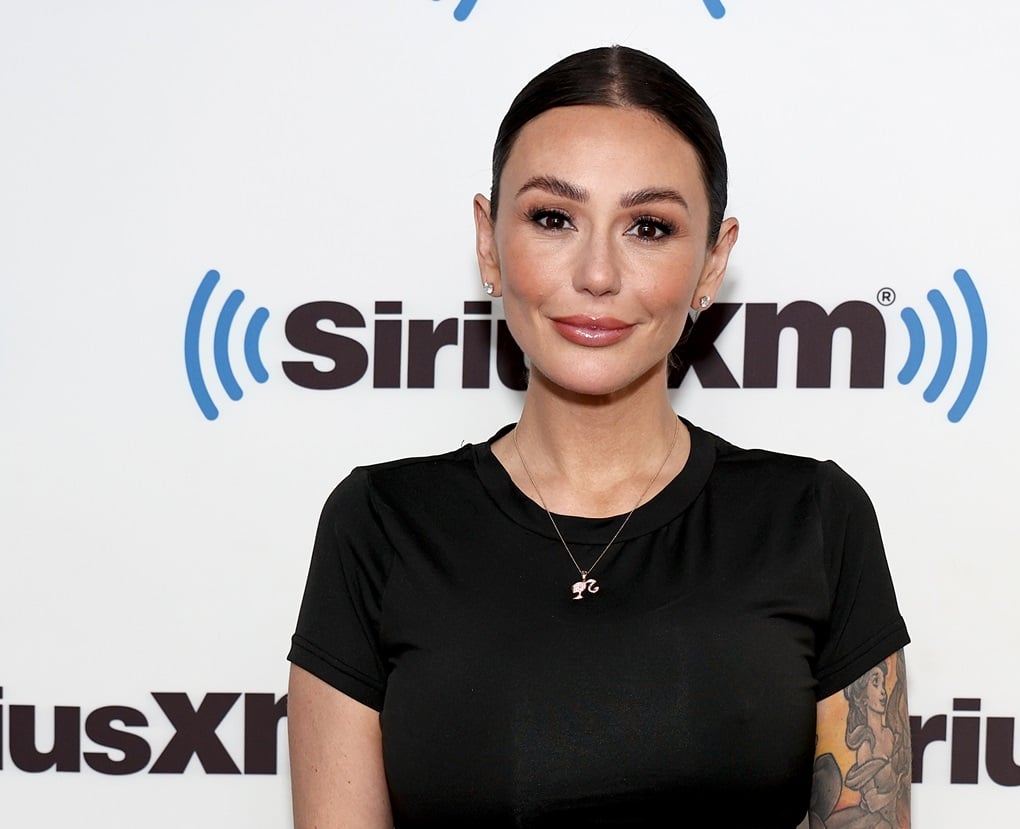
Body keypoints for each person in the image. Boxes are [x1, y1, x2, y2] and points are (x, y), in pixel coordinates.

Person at [287, 45, 911, 828]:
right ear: (488, 240)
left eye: (648, 226)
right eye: (554, 218)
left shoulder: (815, 519)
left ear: (713, 262)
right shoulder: (378, 523)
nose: (597, 274)